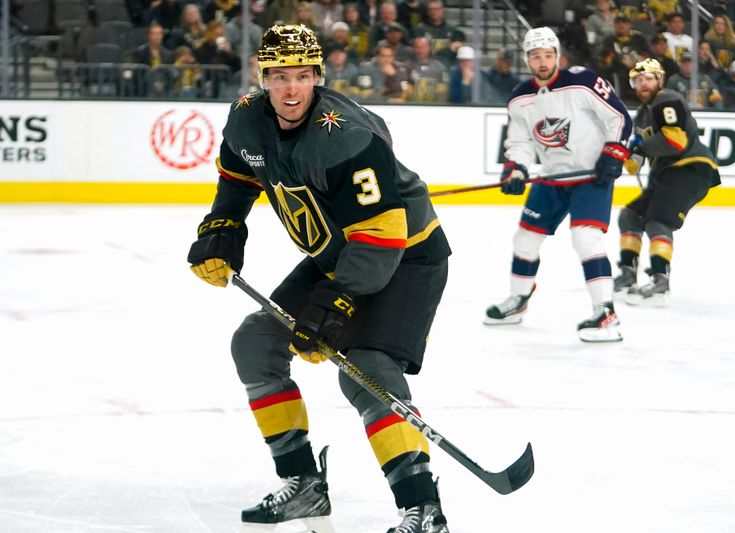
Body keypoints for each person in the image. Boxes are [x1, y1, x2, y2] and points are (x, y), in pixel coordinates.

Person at [186, 24, 452, 533]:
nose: (291, 89)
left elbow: (380, 237)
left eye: (303, 76)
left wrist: (335, 306)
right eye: (280, 76)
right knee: (255, 343)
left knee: (366, 369)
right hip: (338, 255)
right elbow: (238, 176)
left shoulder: (349, 135)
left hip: (407, 257)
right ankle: (304, 485)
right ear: (262, 77)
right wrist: (223, 227)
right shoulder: (247, 120)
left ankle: (423, 509)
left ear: (318, 77)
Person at [484, 26, 633, 343]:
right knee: (524, 239)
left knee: (585, 238)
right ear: (527, 59)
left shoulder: (582, 81)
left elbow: (619, 118)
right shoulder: (520, 98)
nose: (542, 62)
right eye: (536, 56)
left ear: (558, 56)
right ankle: (517, 301)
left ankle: (605, 312)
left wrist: (613, 152)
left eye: (548, 55)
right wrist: (517, 168)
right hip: (552, 177)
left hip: (592, 176)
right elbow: (520, 142)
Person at [614, 58, 721, 305]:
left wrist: (639, 145)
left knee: (658, 219)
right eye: (638, 80)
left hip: (690, 168)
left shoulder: (666, 99)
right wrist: (623, 156)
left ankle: (660, 282)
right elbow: (635, 164)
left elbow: (675, 142)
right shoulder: (641, 117)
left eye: (648, 78)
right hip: (667, 174)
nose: (643, 84)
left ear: (659, 81)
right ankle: (628, 274)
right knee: (630, 215)